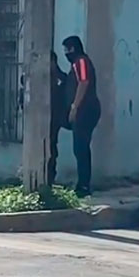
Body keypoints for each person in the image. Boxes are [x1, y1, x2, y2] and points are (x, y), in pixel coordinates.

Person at [62, 35, 101, 197]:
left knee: (81, 148)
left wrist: (74, 107)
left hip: (85, 111)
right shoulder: (76, 64)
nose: (65, 53)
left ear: (72, 48)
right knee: (80, 148)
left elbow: (84, 82)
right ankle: (82, 183)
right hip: (84, 111)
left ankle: (84, 185)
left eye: (66, 49)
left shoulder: (81, 62)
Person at [49, 51, 68, 186]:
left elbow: (65, 82)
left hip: (54, 117)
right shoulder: (38, 76)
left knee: (51, 147)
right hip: (39, 118)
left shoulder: (59, 76)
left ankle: (50, 176)